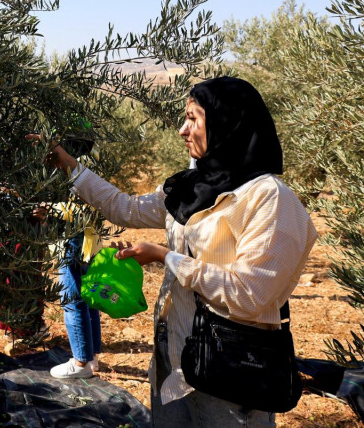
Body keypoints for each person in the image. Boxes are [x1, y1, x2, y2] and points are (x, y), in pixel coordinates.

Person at [39, 77, 317, 427]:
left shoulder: (268, 198)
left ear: (226, 122)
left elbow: (251, 294)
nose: (183, 130)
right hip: (173, 363)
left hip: (231, 373)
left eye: (193, 119)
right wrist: (69, 166)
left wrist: (164, 256)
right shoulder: (190, 187)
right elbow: (124, 208)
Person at [49, 227, 102, 379]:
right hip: (90, 237)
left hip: (72, 234)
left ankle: (81, 363)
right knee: (89, 298)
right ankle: (91, 357)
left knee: (71, 300)